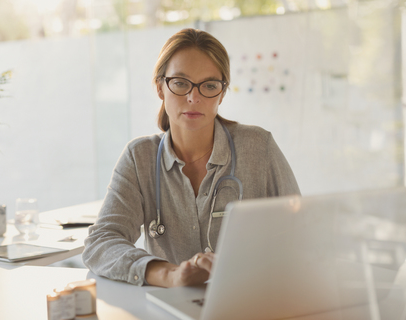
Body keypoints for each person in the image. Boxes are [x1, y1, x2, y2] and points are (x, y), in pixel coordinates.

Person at [82, 28, 300, 288]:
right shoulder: (139, 158)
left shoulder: (258, 147)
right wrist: (169, 275)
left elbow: (300, 232)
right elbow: (101, 242)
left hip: (250, 300)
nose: (193, 97)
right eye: (181, 83)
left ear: (222, 93)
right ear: (160, 87)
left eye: (209, 85)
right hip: (171, 308)